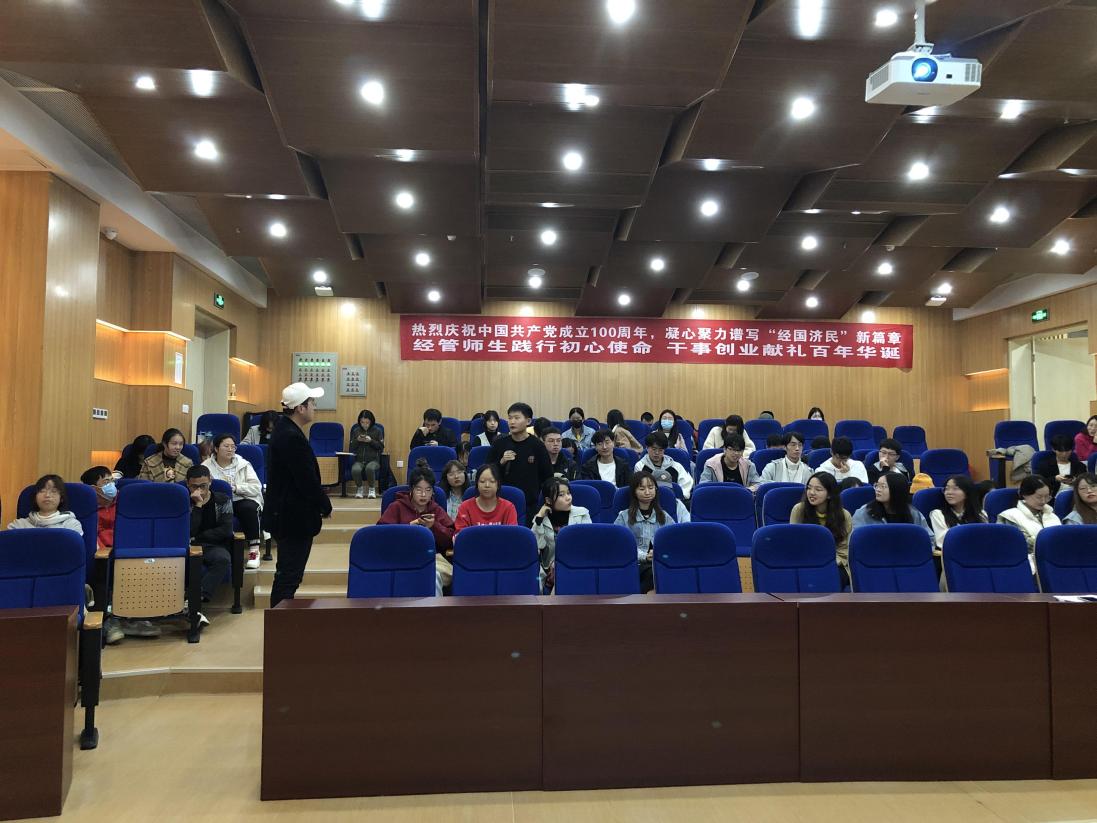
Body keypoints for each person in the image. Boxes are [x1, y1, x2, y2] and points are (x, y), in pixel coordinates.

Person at [263, 382, 332, 608]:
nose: (314, 407)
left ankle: (281, 623)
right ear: (300, 408)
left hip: (287, 514)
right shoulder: (290, 436)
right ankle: (280, 625)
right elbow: (305, 480)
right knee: (288, 577)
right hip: (292, 517)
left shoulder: (285, 430)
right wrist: (324, 504)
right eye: (312, 403)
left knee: (288, 575)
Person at [377, 466, 455, 595]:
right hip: (401, 557)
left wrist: (434, 526)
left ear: (433, 492)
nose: (423, 495)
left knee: (432, 576)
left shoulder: (436, 510)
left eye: (428, 490)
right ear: (411, 489)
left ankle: (434, 608)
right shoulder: (396, 507)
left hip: (431, 558)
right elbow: (381, 536)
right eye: (419, 490)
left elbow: (451, 539)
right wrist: (408, 530)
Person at [203, 434, 265, 569]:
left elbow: (256, 487)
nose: (230, 449)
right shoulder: (206, 466)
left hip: (241, 498)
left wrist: (237, 488)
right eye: (226, 446)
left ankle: (254, 551)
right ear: (216, 449)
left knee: (248, 508)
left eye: (233, 447)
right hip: (218, 501)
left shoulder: (243, 464)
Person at [489, 402, 552, 525]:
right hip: (501, 503)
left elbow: (547, 476)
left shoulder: (537, 446)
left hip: (530, 505)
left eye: (516, 418)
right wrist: (501, 462)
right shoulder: (499, 444)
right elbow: (487, 472)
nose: (512, 422)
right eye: (510, 418)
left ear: (528, 421)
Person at [184, 466, 231, 622]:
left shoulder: (223, 500)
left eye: (203, 486)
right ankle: (193, 608)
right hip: (187, 545)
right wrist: (198, 505)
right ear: (187, 484)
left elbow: (226, 529)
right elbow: (189, 530)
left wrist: (199, 536)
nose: (200, 491)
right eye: (194, 487)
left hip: (213, 545)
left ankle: (193, 601)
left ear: (210, 481)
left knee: (222, 559)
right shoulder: (183, 500)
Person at [790, 472, 852, 588]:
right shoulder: (799, 510)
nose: (811, 492)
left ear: (830, 494)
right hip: (806, 561)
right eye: (809, 488)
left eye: (818, 489)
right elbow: (794, 542)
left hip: (834, 563)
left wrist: (827, 563)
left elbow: (844, 550)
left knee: (831, 578)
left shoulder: (844, 515)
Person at [613, 472, 672, 593]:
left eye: (651, 488)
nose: (647, 492)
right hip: (634, 563)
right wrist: (644, 556)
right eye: (642, 489)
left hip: (660, 562)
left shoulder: (664, 516)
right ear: (634, 491)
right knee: (653, 573)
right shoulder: (623, 516)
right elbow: (618, 545)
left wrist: (660, 554)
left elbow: (674, 541)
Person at [532, 477, 592, 592]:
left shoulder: (582, 513)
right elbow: (538, 546)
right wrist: (539, 519)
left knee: (562, 571)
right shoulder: (541, 519)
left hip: (576, 564)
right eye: (561, 495)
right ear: (548, 500)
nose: (568, 497)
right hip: (549, 571)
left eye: (568, 493)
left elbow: (587, 545)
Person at [852, 473, 932, 539]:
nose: (878, 489)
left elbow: (929, 538)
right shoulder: (864, 513)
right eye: (877, 485)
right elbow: (856, 541)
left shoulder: (913, 513)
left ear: (896, 490)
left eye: (883, 486)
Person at [997, 476, 1060, 555]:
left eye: (1047, 497)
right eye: (1039, 497)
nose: (1043, 501)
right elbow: (1019, 544)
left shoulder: (1052, 515)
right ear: (1024, 494)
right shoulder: (1010, 516)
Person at [7, 474, 83, 534]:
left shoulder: (71, 525)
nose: (47, 495)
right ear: (35, 497)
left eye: (54, 491)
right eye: (42, 491)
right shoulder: (19, 525)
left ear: (61, 498)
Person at [929, 475, 986, 551]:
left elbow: (985, 538)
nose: (949, 493)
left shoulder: (980, 513)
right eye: (946, 489)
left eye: (955, 489)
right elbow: (942, 541)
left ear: (967, 492)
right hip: (955, 553)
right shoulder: (938, 514)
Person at [454, 463, 519, 531]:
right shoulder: (465, 507)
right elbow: (460, 535)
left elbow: (512, 535)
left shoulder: (508, 508)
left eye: (492, 481)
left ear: (498, 484)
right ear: (477, 484)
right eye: (482, 481)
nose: (487, 485)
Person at [635, 431, 693, 499]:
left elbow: (685, 487)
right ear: (647, 448)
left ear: (664, 450)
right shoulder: (640, 466)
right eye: (654, 449)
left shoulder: (676, 466)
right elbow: (639, 488)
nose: (657, 453)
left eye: (660, 450)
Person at [349, 409, 384, 499]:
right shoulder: (356, 431)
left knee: (369, 468)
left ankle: (372, 489)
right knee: (355, 469)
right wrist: (357, 440)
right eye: (362, 422)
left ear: (371, 421)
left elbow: (381, 447)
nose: (365, 425)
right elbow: (352, 447)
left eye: (367, 422)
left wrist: (371, 441)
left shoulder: (378, 431)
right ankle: (359, 489)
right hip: (359, 460)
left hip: (374, 460)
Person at [79, 466, 117, 548]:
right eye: (106, 482)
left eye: (112, 480)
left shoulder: (122, 500)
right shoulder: (86, 508)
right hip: (100, 550)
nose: (111, 485)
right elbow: (93, 535)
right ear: (93, 488)